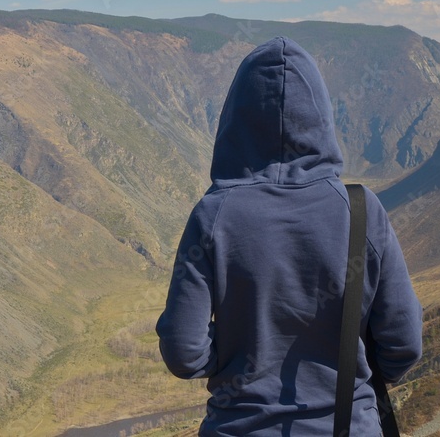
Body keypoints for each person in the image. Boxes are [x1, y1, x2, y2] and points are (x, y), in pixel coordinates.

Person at [156, 36, 423, 436]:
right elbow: (403, 343)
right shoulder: (363, 210)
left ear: (235, 118)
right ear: (321, 117)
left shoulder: (214, 215)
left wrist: (233, 363)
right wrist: (348, 378)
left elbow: (183, 351)